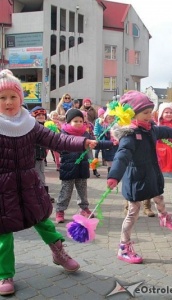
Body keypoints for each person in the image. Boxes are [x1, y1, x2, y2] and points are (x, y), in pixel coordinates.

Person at [0, 69, 98, 296]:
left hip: (28, 182)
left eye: (13, 97)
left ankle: (58, 252)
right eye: (2, 98)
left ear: (20, 99)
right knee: (3, 231)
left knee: (42, 221)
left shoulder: (29, 124)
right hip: (2, 187)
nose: (8, 102)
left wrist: (83, 142)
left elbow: (57, 139)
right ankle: (5, 273)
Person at [107, 91, 172, 264]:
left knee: (159, 196)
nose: (150, 116)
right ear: (133, 114)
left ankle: (164, 217)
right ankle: (123, 247)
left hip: (151, 173)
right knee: (133, 212)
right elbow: (122, 155)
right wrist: (114, 176)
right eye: (146, 113)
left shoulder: (150, 128)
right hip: (136, 178)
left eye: (151, 112)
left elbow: (162, 130)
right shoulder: (130, 135)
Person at [55, 109, 114, 223]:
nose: (78, 123)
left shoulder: (85, 134)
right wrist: (66, 152)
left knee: (82, 190)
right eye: (75, 121)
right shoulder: (64, 134)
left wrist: (111, 143)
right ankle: (60, 210)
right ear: (68, 122)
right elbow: (58, 146)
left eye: (81, 121)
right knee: (66, 190)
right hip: (68, 167)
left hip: (82, 167)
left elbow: (97, 144)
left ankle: (84, 209)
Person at [30, 106, 56, 203]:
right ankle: (41, 196)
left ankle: (43, 196)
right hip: (32, 157)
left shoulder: (45, 127)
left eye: (42, 115)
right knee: (38, 176)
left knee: (41, 175)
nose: (41, 116)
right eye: (38, 115)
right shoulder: (32, 127)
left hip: (40, 156)